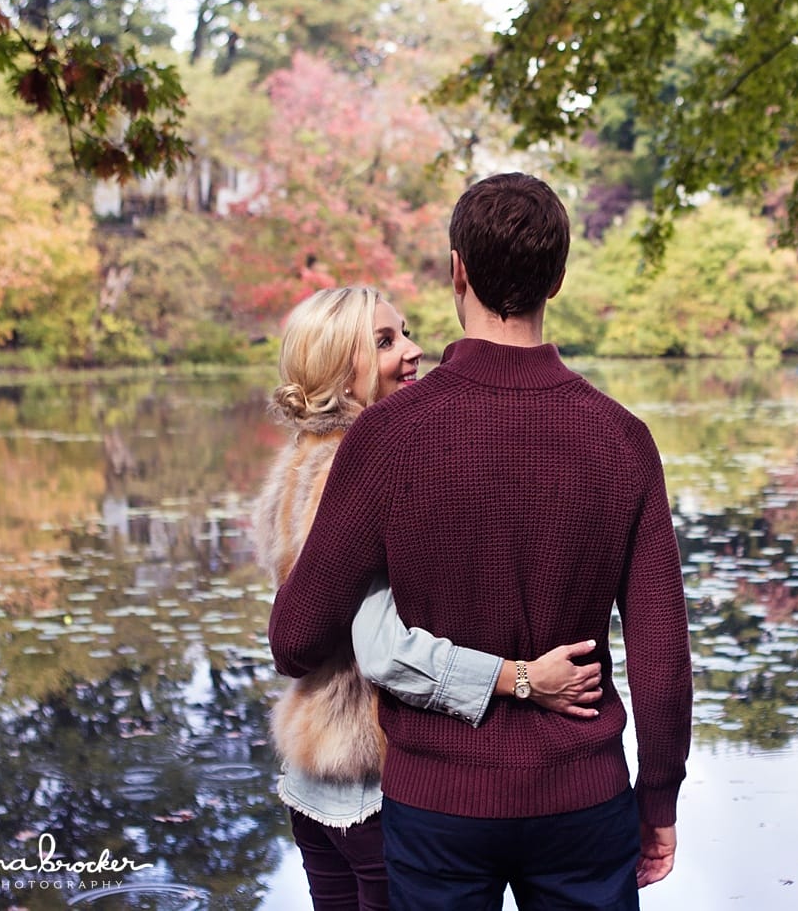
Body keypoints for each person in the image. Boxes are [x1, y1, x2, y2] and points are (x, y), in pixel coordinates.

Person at [268, 175, 692, 910]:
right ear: (557, 279)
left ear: (456, 270)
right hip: (583, 801)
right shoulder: (622, 438)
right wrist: (659, 799)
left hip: (437, 808)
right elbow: (662, 654)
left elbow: (295, 639)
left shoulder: (387, 435)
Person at [253, 284, 605, 911]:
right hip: (370, 776)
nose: (413, 350)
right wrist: (524, 678)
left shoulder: (298, 463)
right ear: (340, 367)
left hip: (310, 777)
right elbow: (383, 649)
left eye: (406, 332)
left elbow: (297, 628)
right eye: (385, 341)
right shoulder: (355, 466)